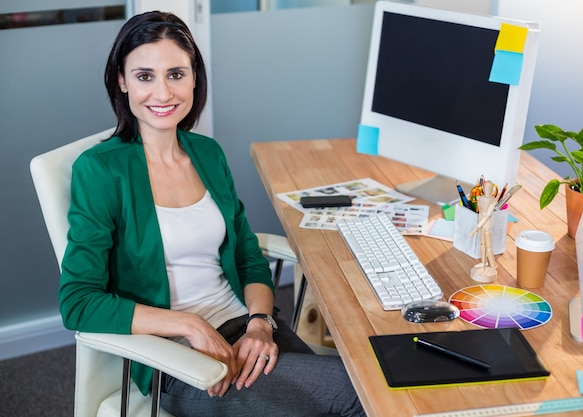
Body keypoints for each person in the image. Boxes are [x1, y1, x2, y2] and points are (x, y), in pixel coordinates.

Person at [59, 11, 365, 417]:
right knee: (356, 396)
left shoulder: (207, 153)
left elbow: (245, 254)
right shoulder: (100, 170)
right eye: (145, 76)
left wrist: (260, 322)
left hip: (247, 329)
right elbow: (78, 302)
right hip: (180, 362)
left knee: (373, 381)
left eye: (176, 74)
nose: (163, 93)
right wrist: (191, 325)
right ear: (121, 80)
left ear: (194, 78)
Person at [469, 180, 498, 282]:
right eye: (486, 187)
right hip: (481, 221)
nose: (488, 190)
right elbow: (480, 213)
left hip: (486, 223)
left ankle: (493, 265)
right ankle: (484, 261)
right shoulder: (479, 198)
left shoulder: (493, 200)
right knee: (482, 244)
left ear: (492, 189)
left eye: (490, 188)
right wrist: (478, 227)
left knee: (488, 246)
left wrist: (475, 228)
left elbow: (487, 215)